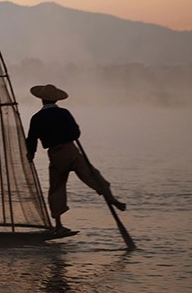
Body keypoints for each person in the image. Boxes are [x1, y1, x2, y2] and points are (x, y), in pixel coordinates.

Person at [25, 84, 126, 233]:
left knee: (57, 188)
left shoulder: (37, 118)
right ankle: (109, 196)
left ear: (42, 100)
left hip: (56, 154)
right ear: (56, 100)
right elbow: (75, 133)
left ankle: (58, 225)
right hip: (71, 150)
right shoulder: (64, 113)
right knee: (92, 174)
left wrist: (31, 154)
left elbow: (32, 139)